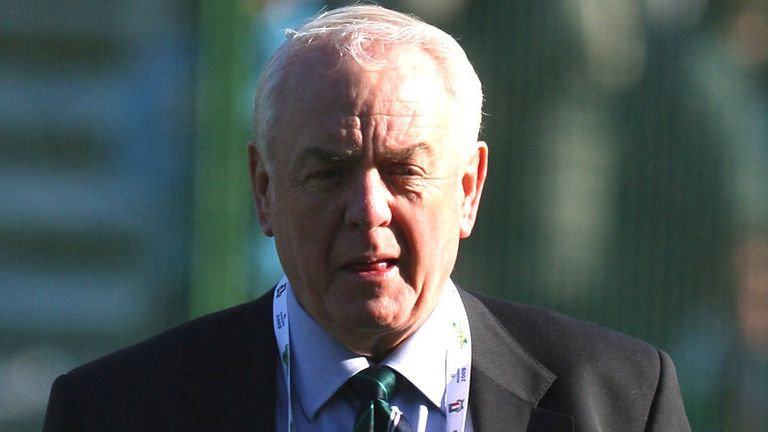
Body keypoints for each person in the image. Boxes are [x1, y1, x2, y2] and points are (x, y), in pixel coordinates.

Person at [43, 4, 691, 431]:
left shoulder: (619, 403)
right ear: (264, 190)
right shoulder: (115, 413)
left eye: (405, 171)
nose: (368, 210)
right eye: (329, 172)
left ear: (468, 188)